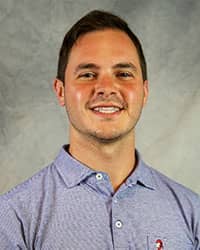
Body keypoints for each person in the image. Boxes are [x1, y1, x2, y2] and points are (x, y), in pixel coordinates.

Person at [0, 10, 199, 250]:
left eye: (123, 74)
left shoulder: (192, 212)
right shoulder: (13, 218)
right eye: (87, 74)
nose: (106, 88)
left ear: (145, 92)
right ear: (61, 91)